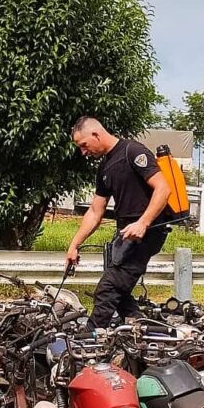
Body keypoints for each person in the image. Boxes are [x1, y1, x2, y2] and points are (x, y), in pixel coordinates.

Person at [66, 116, 171, 329]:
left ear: (96, 134)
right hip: (126, 233)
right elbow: (96, 211)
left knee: (107, 289)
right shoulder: (105, 167)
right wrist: (74, 244)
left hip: (147, 231)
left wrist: (143, 223)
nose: (83, 152)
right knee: (119, 292)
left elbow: (163, 189)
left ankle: (88, 341)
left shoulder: (132, 151)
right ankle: (144, 330)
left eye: (84, 145)